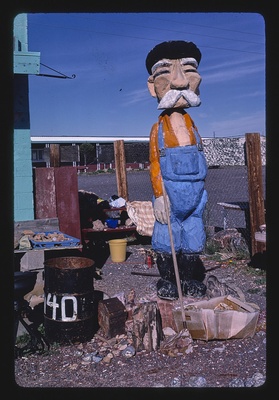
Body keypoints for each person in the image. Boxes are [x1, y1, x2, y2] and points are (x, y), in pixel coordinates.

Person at [146, 40, 208, 299]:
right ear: (152, 86)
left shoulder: (193, 125)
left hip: (196, 194)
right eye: (166, 72)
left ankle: (190, 279)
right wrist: (159, 195)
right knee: (166, 237)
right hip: (169, 193)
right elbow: (155, 163)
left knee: (194, 236)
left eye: (188, 70)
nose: (180, 82)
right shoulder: (158, 129)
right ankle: (169, 281)